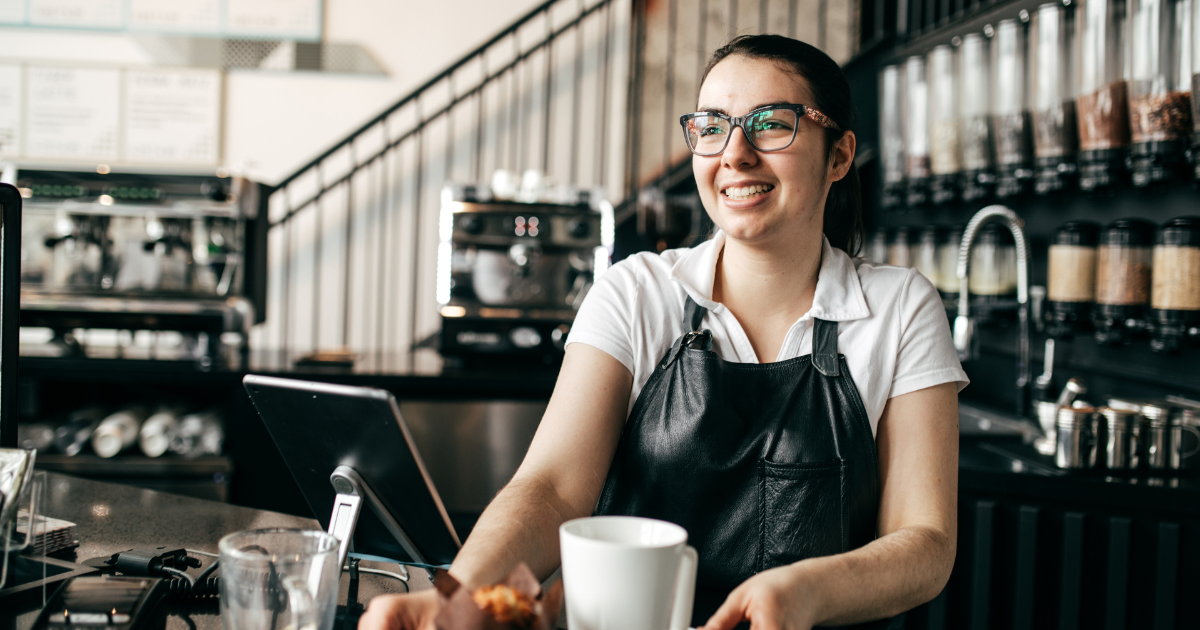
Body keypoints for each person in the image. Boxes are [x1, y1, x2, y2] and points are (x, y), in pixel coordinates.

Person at [360, 34, 967, 630]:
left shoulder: (900, 308)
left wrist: (806, 590)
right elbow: (550, 490)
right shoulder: (635, 292)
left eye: (771, 123)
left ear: (839, 155)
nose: (735, 153)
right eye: (712, 126)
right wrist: (453, 600)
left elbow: (927, 540)